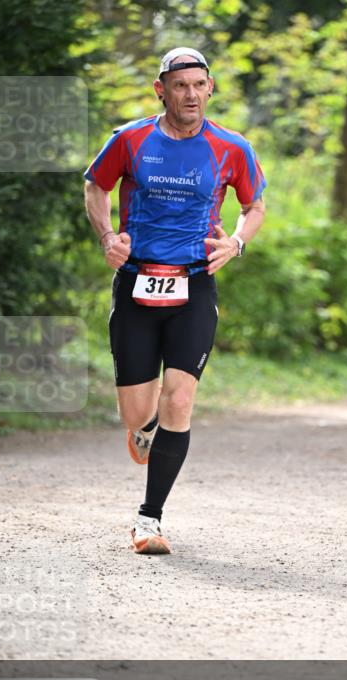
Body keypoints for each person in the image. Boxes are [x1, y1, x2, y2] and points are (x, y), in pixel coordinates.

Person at [83, 47, 266, 555]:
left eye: (198, 84)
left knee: (180, 399)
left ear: (211, 89)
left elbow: (254, 205)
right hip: (138, 281)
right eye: (179, 85)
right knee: (137, 412)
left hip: (194, 283)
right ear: (161, 89)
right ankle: (142, 430)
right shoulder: (130, 139)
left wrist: (236, 242)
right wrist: (107, 238)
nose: (190, 94)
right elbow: (95, 187)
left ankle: (149, 520)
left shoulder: (231, 147)